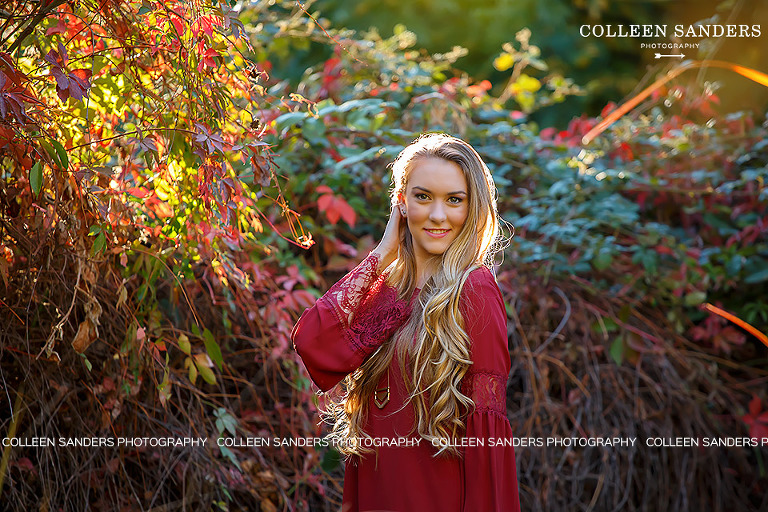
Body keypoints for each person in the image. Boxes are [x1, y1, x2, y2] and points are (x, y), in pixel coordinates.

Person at [291, 133, 520, 512]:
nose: (437, 215)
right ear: (401, 202)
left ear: (473, 208)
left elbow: (486, 433)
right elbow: (313, 343)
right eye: (423, 196)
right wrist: (382, 254)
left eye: (455, 200)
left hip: (436, 498)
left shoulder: (474, 289)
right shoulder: (388, 290)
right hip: (378, 492)